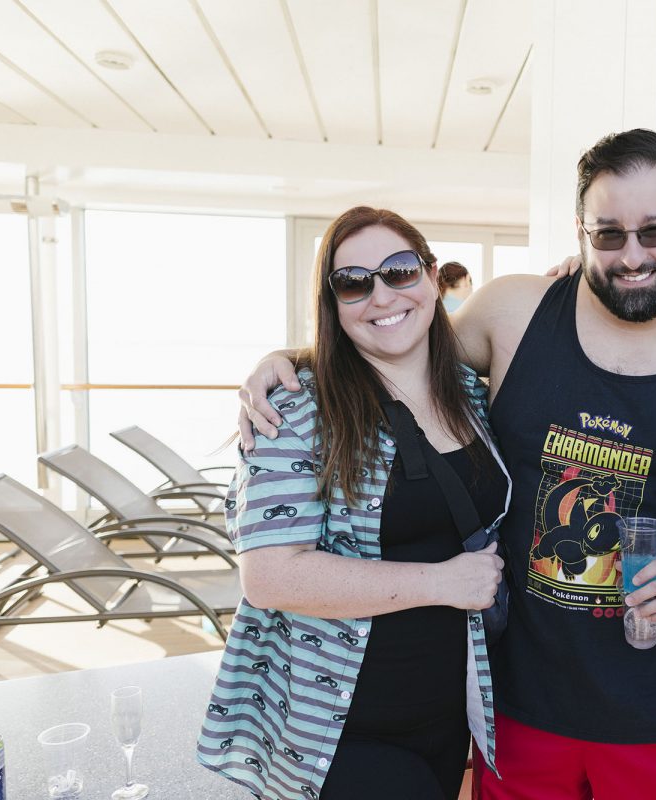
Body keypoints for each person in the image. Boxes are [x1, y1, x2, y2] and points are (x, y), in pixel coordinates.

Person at [238, 130, 656, 799]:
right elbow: (397, 344)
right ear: (580, 231)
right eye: (608, 235)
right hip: (514, 712)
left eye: (655, 231)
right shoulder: (513, 312)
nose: (632, 257)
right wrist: (291, 360)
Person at [197, 206, 511, 800]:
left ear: (431, 276)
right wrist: (442, 582)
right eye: (353, 282)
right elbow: (268, 576)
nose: (381, 295)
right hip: (339, 728)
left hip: (449, 714)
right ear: (333, 303)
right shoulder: (297, 410)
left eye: (399, 271)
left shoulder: (471, 394)